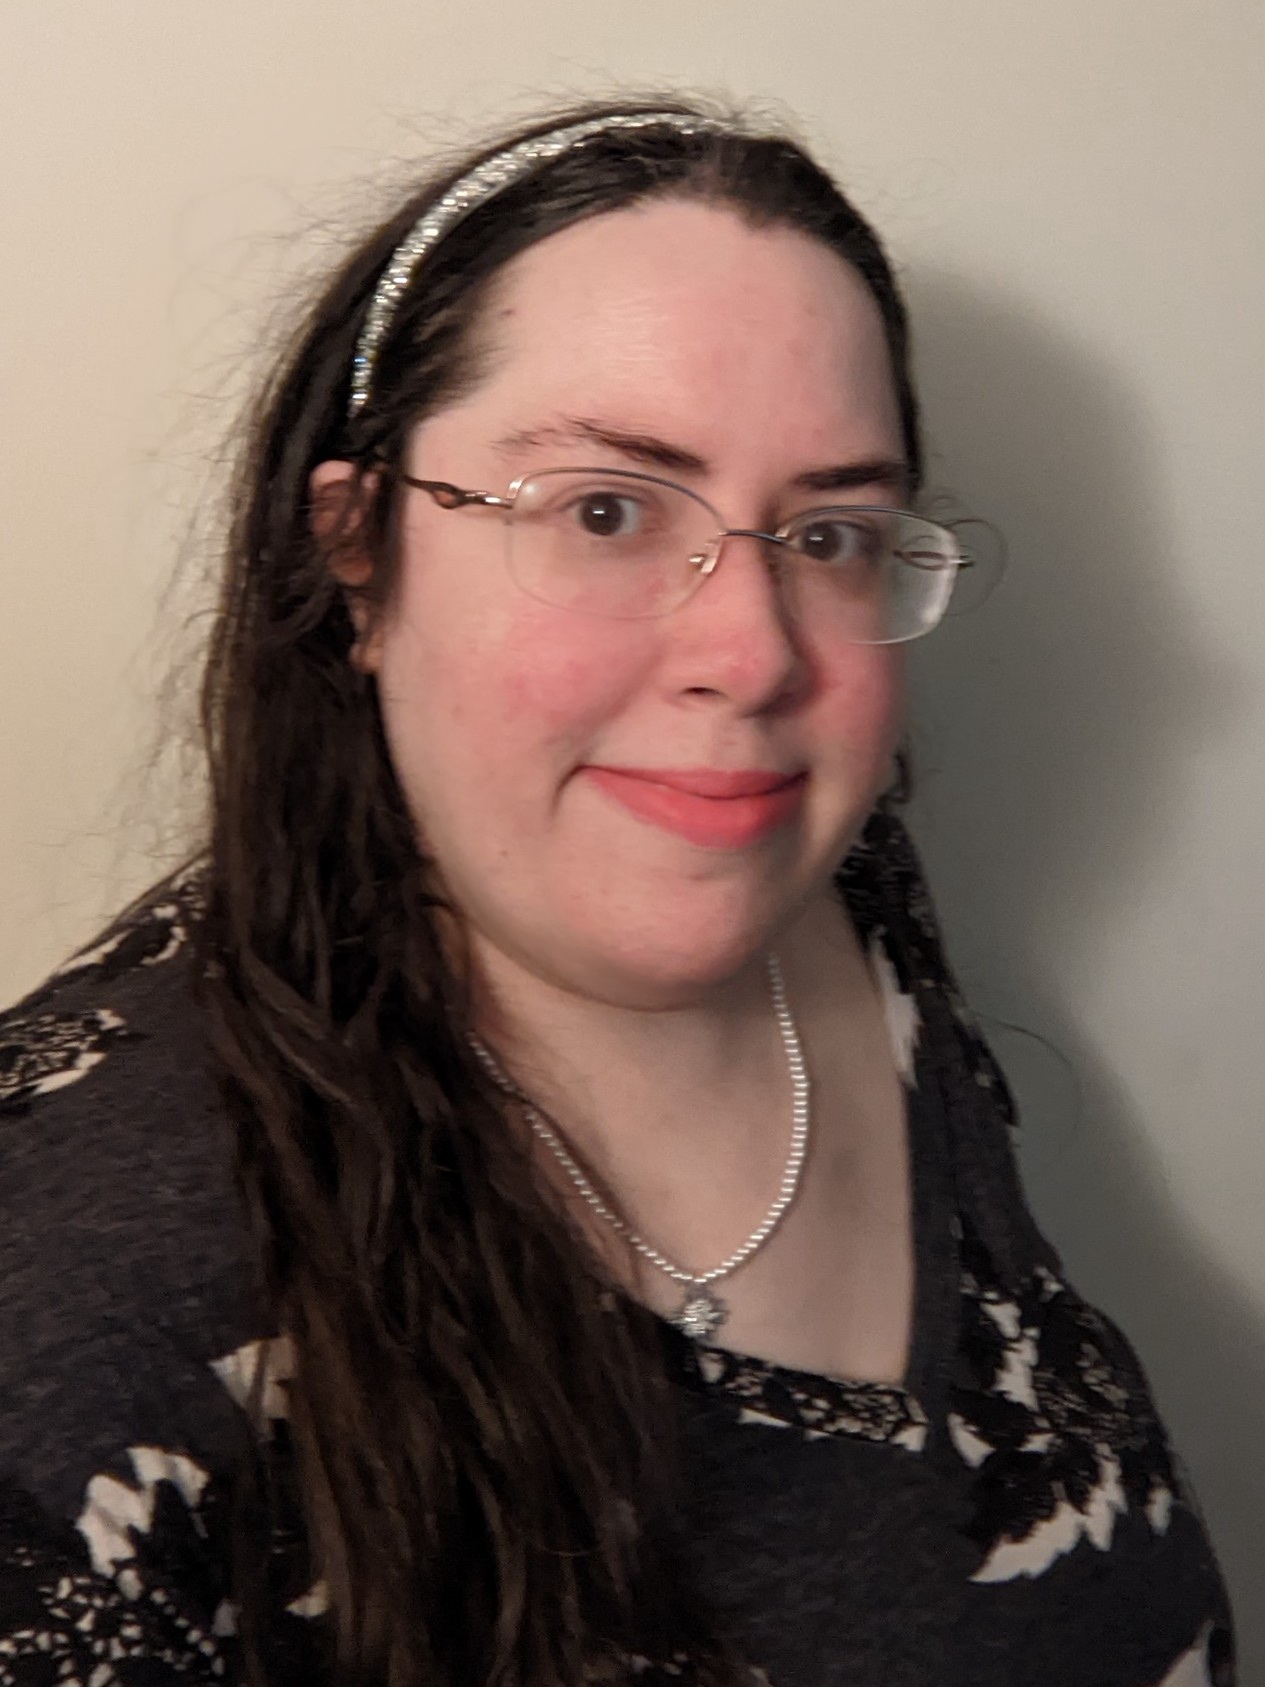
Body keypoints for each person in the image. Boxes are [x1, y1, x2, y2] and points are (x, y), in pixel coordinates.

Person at [0, 98, 1235, 1687]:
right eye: (604, 511)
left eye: (829, 533)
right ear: (356, 554)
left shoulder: (827, 876)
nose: (755, 654)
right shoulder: (61, 1317)